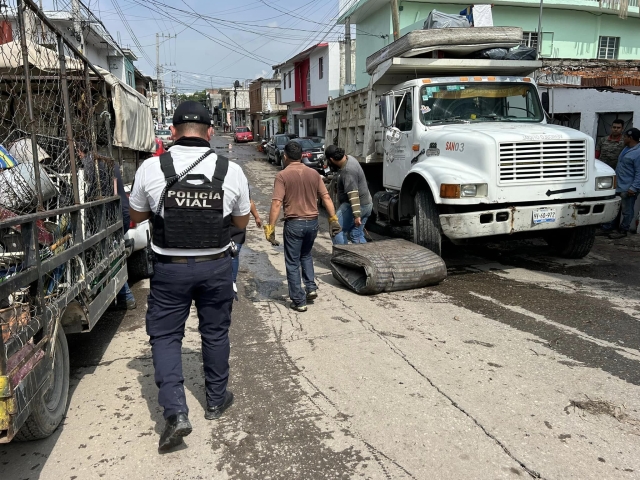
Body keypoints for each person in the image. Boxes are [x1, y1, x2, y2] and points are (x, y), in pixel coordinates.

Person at [128, 101, 251, 451]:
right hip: (215, 266)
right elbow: (240, 223)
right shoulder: (231, 170)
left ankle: (176, 414)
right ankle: (215, 400)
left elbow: (137, 215)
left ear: (172, 132)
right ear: (211, 132)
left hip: (170, 271)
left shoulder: (152, 168)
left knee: (166, 338)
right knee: (214, 333)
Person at [264, 141, 341, 312]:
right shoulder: (313, 174)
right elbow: (326, 197)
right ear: (301, 155)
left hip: (295, 223)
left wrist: (271, 227)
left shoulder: (282, 176)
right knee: (306, 255)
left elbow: (277, 203)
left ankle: (299, 301)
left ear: (285, 156)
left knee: (292, 262)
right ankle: (311, 288)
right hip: (313, 223)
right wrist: (333, 218)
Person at [324, 145, 373, 245]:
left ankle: (343, 257)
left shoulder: (348, 170)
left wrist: (356, 215)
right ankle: (365, 257)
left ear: (332, 159)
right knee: (356, 234)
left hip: (357, 206)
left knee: (336, 229)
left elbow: (353, 194)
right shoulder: (349, 158)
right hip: (367, 204)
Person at [605, 127, 640, 239]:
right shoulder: (626, 148)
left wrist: (634, 187)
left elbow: (639, 172)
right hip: (619, 185)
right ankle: (608, 228)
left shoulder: (638, 152)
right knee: (614, 208)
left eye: (625, 136)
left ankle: (623, 230)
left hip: (628, 187)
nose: (623, 138)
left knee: (627, 210)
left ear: (630, 138)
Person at [230, 195, 262, 290]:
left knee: (233, 253)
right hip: (234, 224)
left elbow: (249, 201)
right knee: (233, 254)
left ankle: (232, 281)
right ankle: (231, 282)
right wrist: (256, 216)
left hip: (234, 225)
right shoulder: (241, 181)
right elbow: (249, 201)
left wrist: (256, 216)